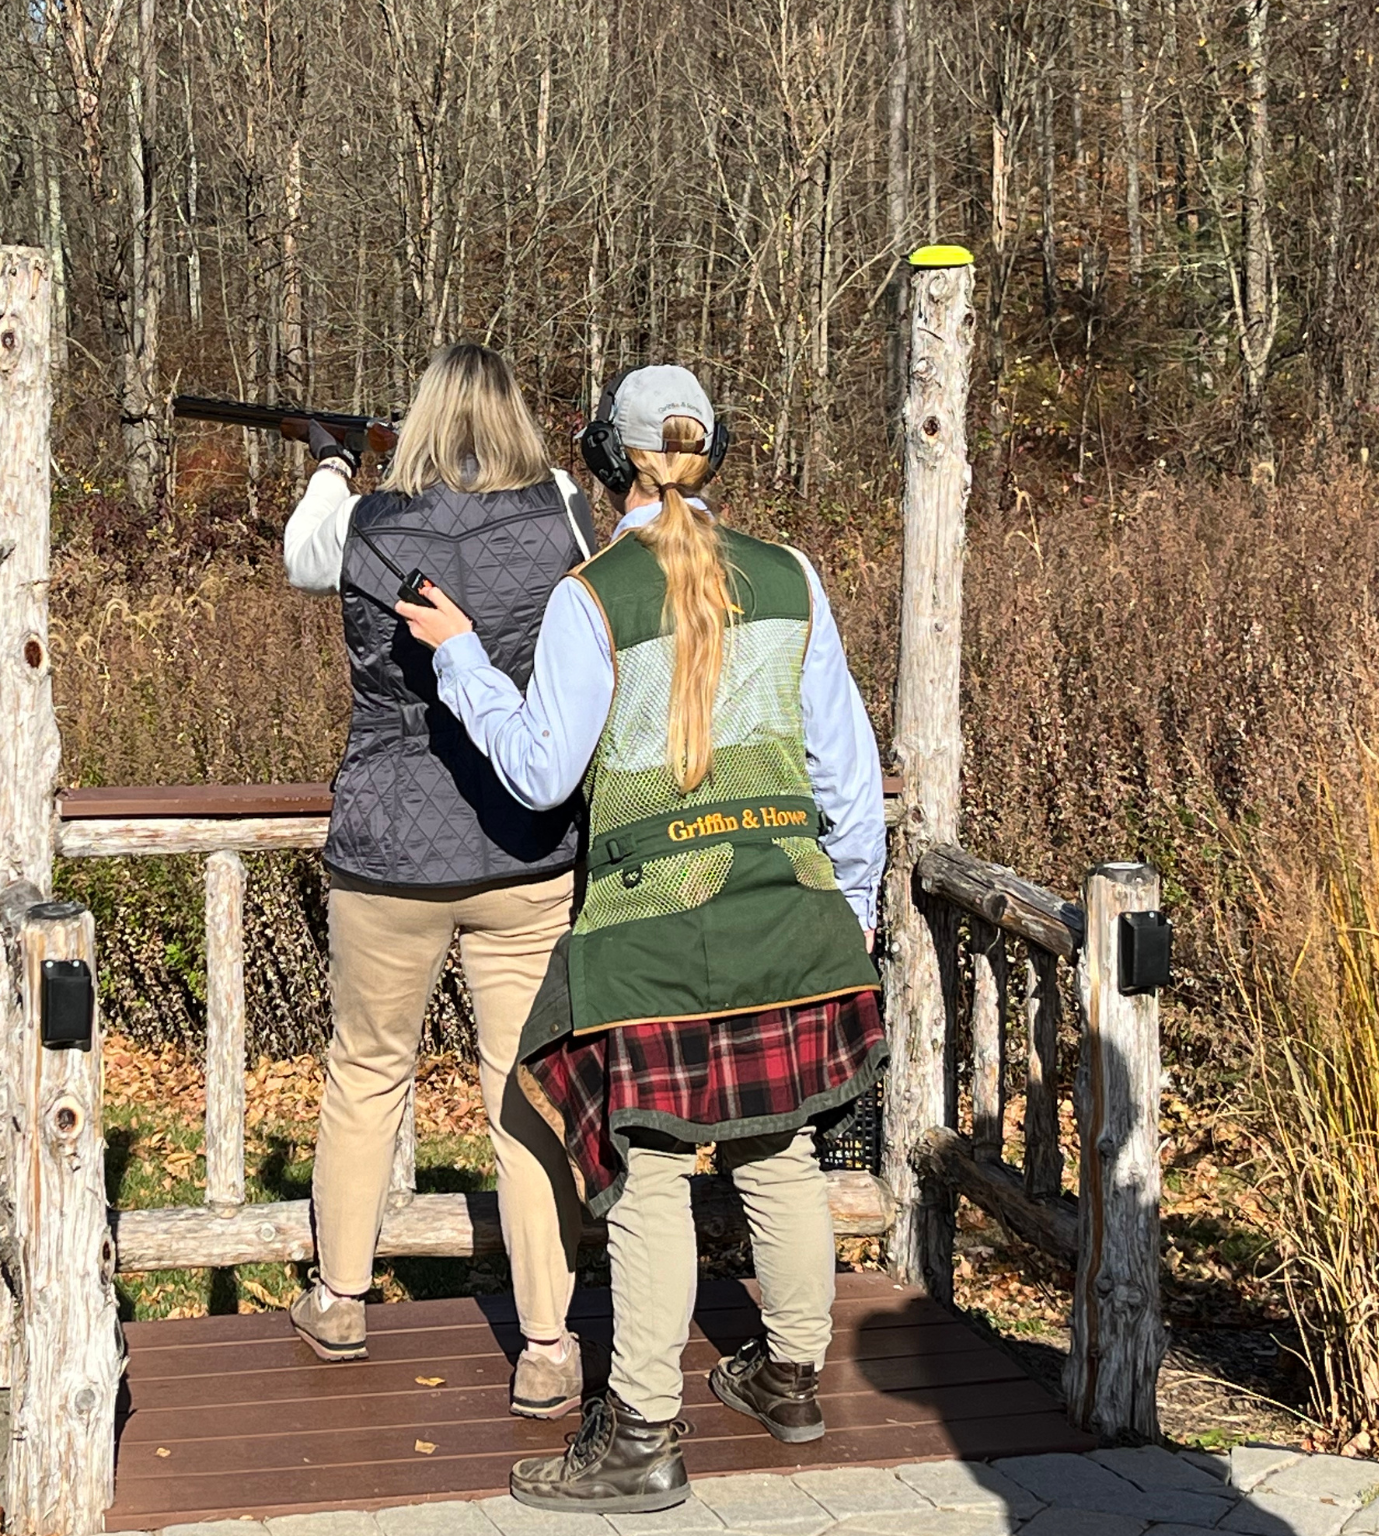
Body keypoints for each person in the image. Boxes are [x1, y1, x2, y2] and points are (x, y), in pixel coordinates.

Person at [396, 365, 888, 1512]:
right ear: (713, 453)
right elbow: (848, 778)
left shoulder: (590, 596)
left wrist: (460, 657)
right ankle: (791, 1381)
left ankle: (641, 1438)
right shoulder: (791, 577)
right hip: (793, 912)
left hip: (648, 932)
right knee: (782, 1150)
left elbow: (534, 776)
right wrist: (848, 917)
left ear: (602, 459)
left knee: (653, 1169)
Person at [282, 342, 601, 1419]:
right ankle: (548, 1344)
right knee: (522, 1087)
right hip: (522, 845)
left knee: (367, 1072)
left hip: (386, 846)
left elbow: (301, 554)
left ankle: (337, 1297)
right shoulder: (561, 516)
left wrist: (331, 464)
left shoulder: (368, 523)